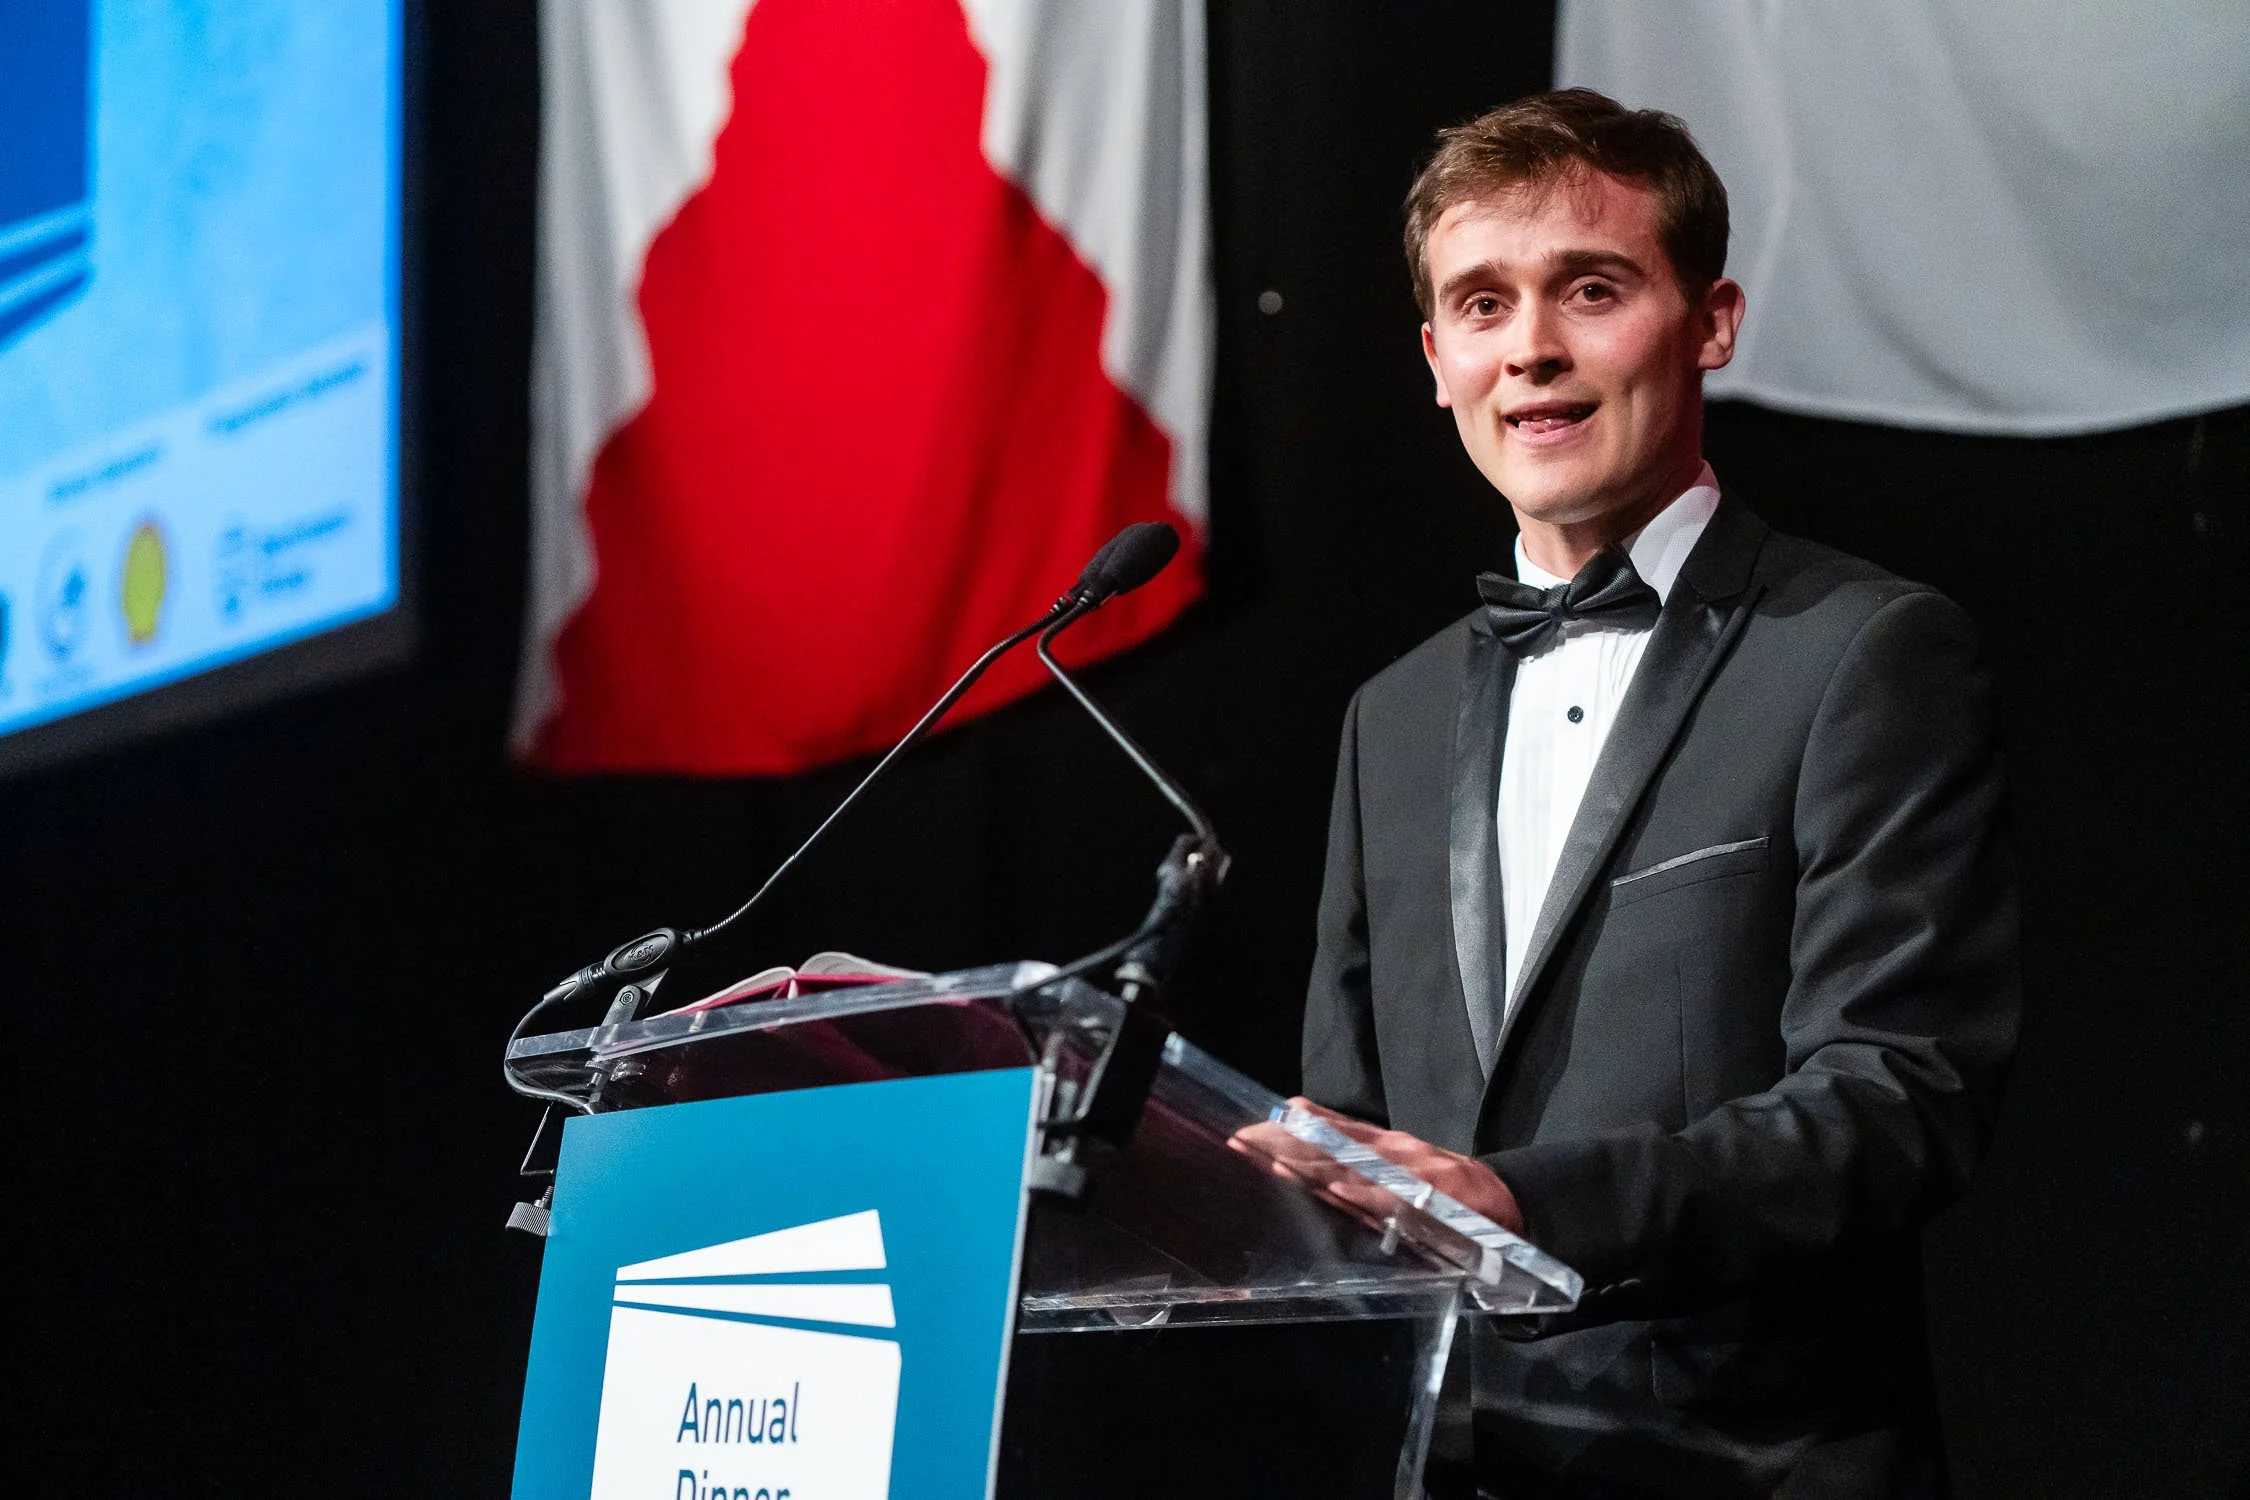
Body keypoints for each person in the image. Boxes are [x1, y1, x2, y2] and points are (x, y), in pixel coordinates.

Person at [1283, 90, 2021, 1497]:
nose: (1531, 349)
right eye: (1482, 305)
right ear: (1437, 360)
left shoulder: (1864, 652)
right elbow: (1351, 1122)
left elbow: (1897, 1099)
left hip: (1746, 1464)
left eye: (1591, 290)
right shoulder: (1391, 716)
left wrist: (1527, 1204)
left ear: (1712, 323)